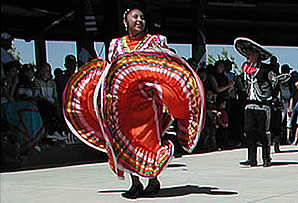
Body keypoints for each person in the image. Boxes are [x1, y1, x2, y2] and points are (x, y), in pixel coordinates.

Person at [62, 8, 205, 199]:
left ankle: (152, 180)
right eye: (135, 17)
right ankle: (135, 183)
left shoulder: (155, 41)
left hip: (147, 104)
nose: (139, 20)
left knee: (149, 141)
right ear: (125, 21)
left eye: (142, 17)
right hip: (121, 106)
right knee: (123, 140)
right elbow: (111, 72)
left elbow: (168, 64)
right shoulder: (116, 44)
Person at [234, 37, 278, 167]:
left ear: (257, 55)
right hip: (249, 103)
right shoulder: (245, 71)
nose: (248, 56)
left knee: (263, 131)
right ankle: (251, 158)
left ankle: (266, 157)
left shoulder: (266, 69)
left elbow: (274, 84)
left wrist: (271, 98)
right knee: (249, 130)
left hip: (263, 105)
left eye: (250, 54)